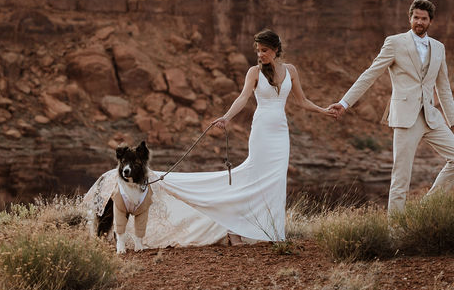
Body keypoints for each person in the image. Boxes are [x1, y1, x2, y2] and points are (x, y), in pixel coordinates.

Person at [83, 29, 332, 248]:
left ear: (276, 49)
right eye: (257, 50)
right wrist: (225, 117)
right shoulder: (254, 72)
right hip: (262, 132)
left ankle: (274, 232)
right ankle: (235, 230)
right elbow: (243, 98)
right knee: (252, 178)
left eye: (264, 50)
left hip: (281, 133)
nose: (260, 55)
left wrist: (324, 110)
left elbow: (302, 101)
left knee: (276, 180)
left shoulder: (291, 71)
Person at [328, 0, 454, 213]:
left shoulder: (439, 48)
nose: (419, 22)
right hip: (405, 117)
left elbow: (444, 88)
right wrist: (345, 103)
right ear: (409, 18)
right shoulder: (394, 42)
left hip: (431, 116)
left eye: (423, 18)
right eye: (415, 17)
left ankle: (426, 208)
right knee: (401, 177)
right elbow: (370, 74)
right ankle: (396, 232)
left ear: (430, 21)